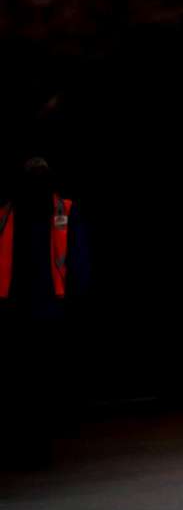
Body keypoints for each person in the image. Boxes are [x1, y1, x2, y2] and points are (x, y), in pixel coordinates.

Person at [1, 157, 86, 467]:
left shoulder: (63, 211)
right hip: (22, 306)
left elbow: (76, 259)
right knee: (28, 379)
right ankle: (33, 441)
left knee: (40, 378)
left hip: (49, 305)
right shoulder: (10, 214)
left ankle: (40, 441)